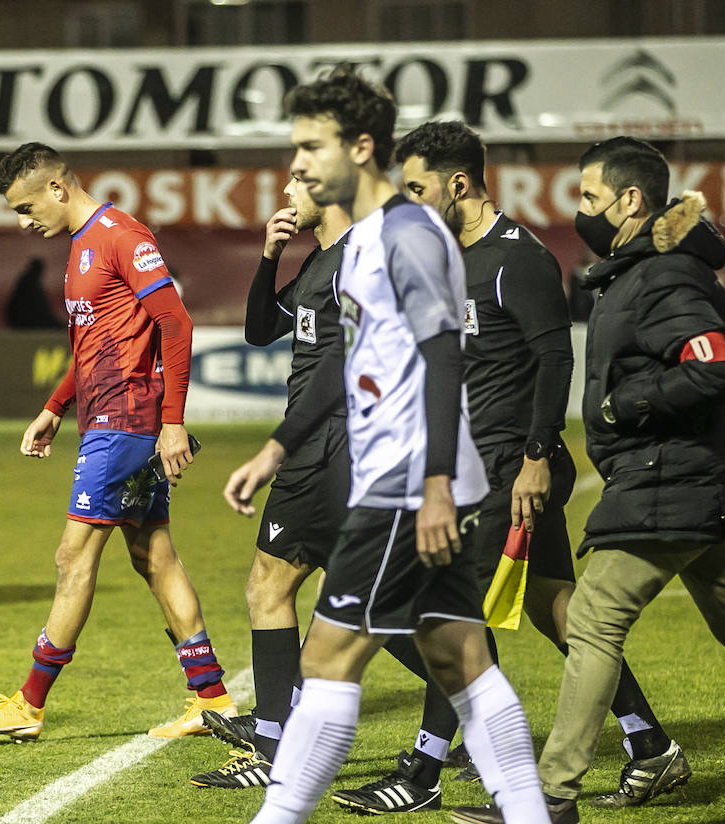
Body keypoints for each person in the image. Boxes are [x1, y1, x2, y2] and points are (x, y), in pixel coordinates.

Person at [224, 71, 550, 824]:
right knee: (461, 660)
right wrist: (279, 447)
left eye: (311, 146)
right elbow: (348, 359)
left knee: (328, 659)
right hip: (408, 477)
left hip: (407, 482)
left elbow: (442, 353)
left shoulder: (406, 233)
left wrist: (435, 482)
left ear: (360, 147)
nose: (297, 164)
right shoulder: (365, 241)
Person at [326, 120, 679, 816]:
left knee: (448, 608)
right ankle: (650, 743)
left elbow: (555, 359)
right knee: (557, 610)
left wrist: (536, 458)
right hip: (470, 465)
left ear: (460, 184)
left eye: (419, 187)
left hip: (508, 469)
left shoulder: (517, 258)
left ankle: (422, 774)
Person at [452, 137, 725, 824]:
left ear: (631, 199)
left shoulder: (663, 275)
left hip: (668, 482)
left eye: (588, 196)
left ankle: (548, 799)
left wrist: (619, 406)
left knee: (593, 621)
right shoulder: (640, 270)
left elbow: (711, 364)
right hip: (685, 478)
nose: (581, 210)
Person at [0, 142, 236, 741]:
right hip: (109, 419)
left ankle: (29, 705)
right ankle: (213, 699)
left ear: (59, 188)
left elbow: (175, 321)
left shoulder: (119, 236)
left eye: (27, 208)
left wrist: (173, 420)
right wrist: (55, 407)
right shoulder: (82, 247)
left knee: (72, 557)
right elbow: (95, 345)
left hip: (127, 425)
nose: (25, 223)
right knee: (153, 556)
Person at [190, 176, 352, 788]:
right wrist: (267, 256)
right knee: (280, 586)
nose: (286, 189)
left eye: (299, 177)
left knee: (360, 609)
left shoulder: (360, 260)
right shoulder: (318, 258)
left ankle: (274, 746)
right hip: (310, 450)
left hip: (336, 450)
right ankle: (273, 739)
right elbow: (260, 329)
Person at [4, 256, 63, 329]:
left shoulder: (27, 281)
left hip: (22, 320)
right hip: (26, 321)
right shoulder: (30, 284)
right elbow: (39, 308)